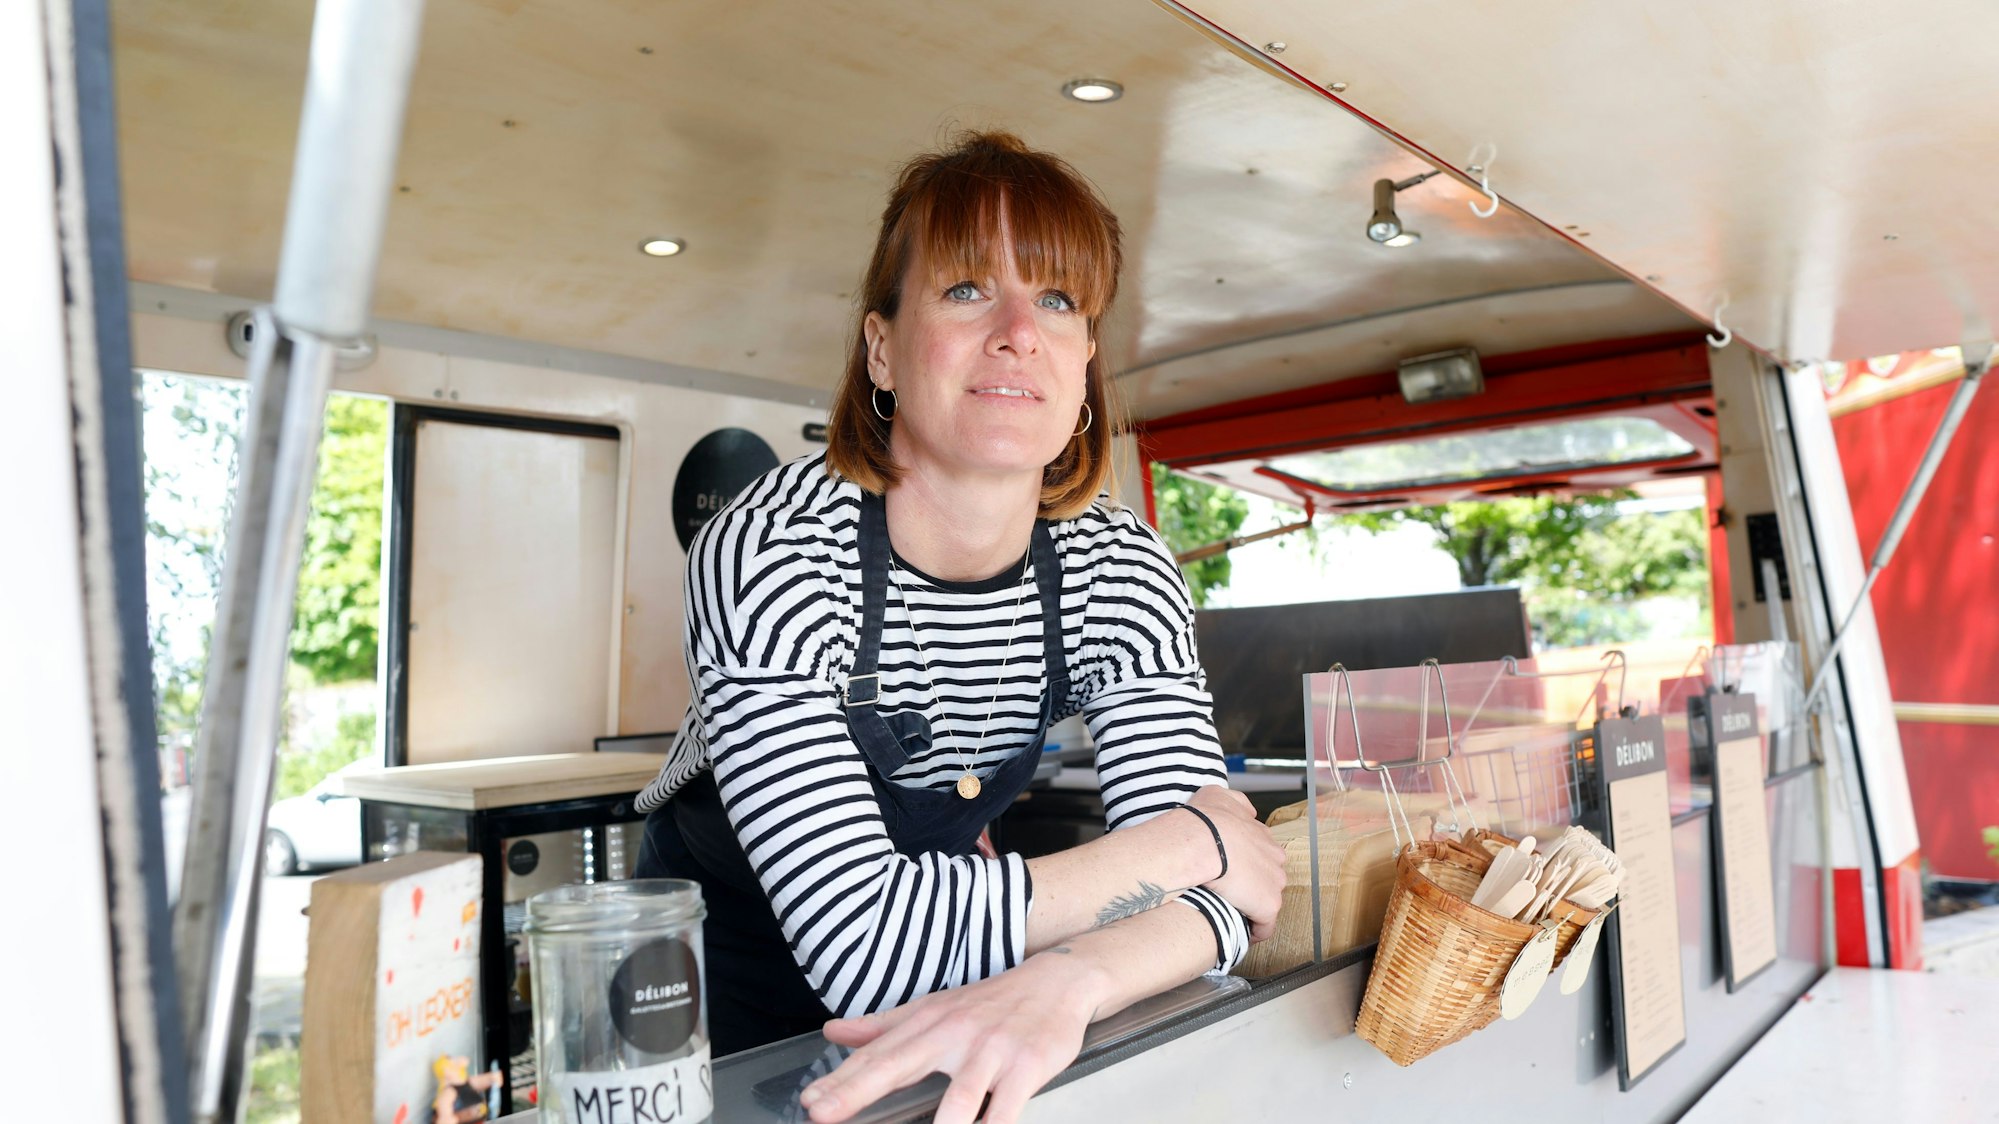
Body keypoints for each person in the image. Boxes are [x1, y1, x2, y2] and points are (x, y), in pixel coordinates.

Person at [633, 129, 1286, 1124]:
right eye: (968, 289)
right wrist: (1204, 835)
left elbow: (1239, 905)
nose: (1020, 330)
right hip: (723, 989)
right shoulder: (768, 550)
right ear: (882, 348)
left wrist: (1069, 980)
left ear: (1082, 369)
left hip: (981, 986)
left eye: (1059, 300)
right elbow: (864, 942)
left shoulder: (1120, 566)